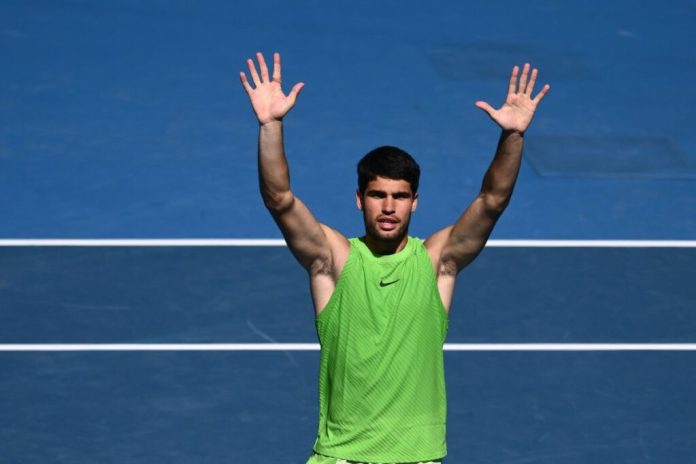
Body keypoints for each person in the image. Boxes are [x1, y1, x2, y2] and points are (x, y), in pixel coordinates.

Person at [240, 52, 549, 464]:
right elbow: (279, 199)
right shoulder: (333, 261)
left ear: (414, 202)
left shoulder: (437, 262)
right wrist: (270, 125)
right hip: (341, 457)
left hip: (417, 457)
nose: (389, 207)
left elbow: (492, 201)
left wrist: (513, 135)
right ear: (360, 199)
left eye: (400, 196)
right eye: (378, 195)